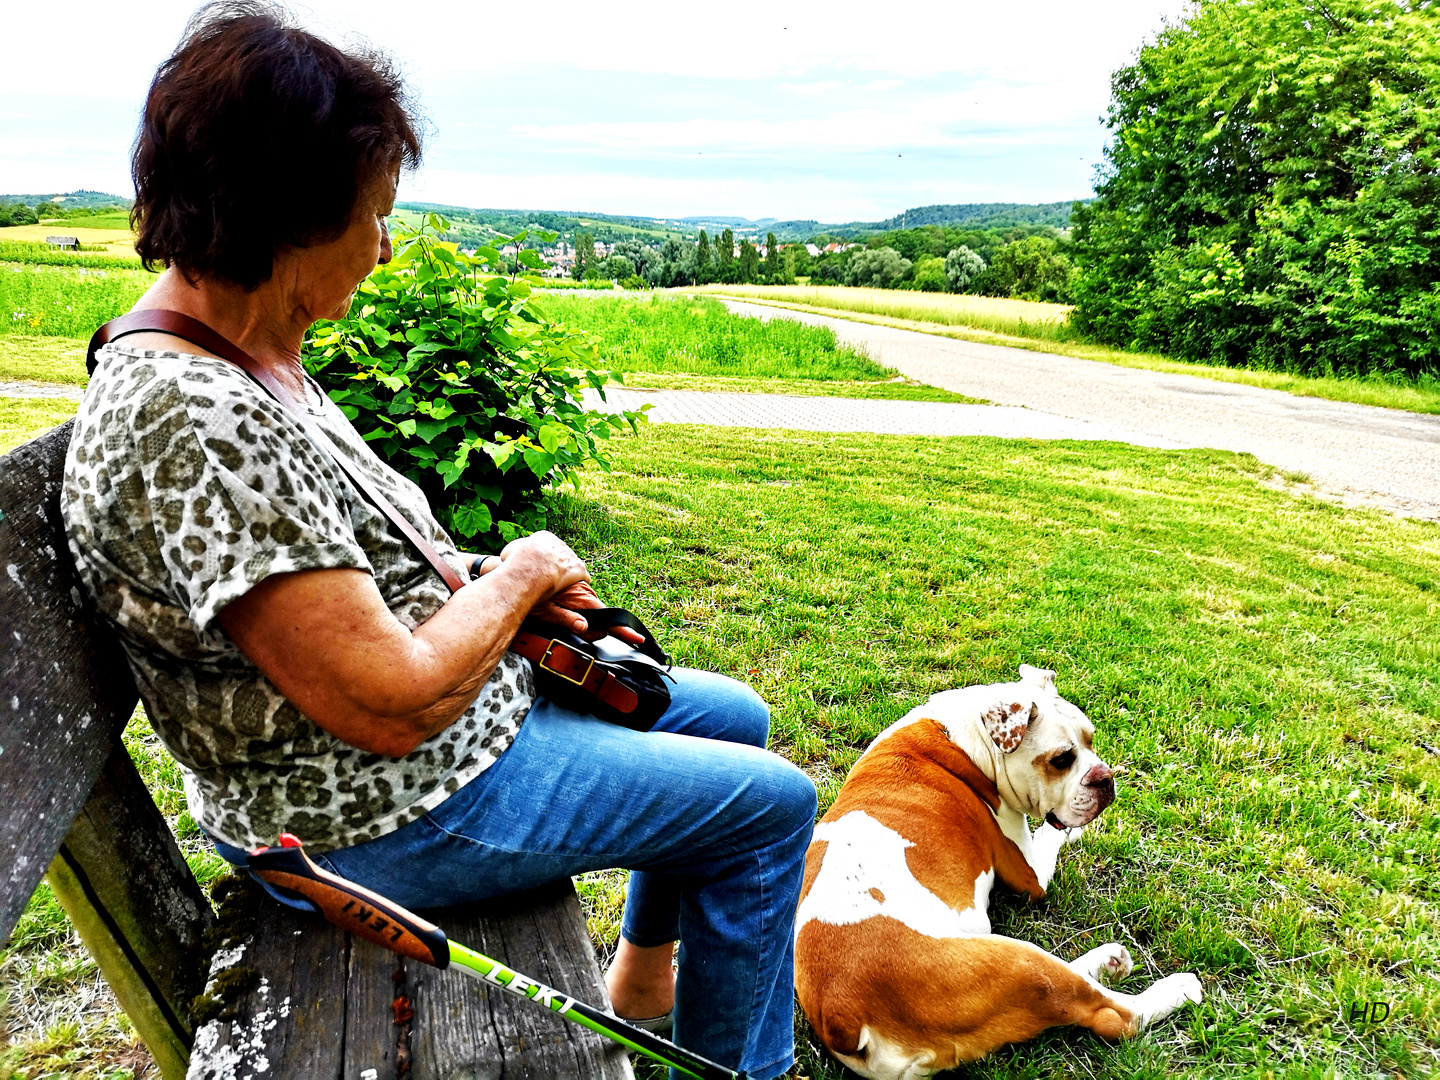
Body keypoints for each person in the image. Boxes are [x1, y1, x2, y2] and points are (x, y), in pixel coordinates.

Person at [60, 5, 816, 1077]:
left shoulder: (245, 350)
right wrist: (522, 575)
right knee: (771, 807)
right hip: (368, 812)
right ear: (285, 216)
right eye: (372, 215)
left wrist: (495, 597)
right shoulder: (196, 419)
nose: (381, 247)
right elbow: (384, 700)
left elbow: (353, 573)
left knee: (738, 717)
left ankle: (646, 979)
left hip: (417, 751)